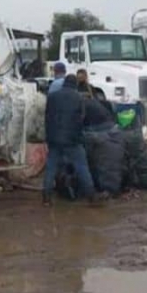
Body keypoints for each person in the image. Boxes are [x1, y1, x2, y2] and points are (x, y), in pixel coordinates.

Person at [43, 74, 107, 206]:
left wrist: (49, 136)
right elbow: (82, 117)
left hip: (54, 138)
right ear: (75, 85)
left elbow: (47, 117)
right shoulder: (79, 98)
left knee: (51, 166)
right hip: (72, 140)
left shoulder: (52, 97)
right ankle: (91, 196)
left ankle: (46, 197)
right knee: (81, 166)